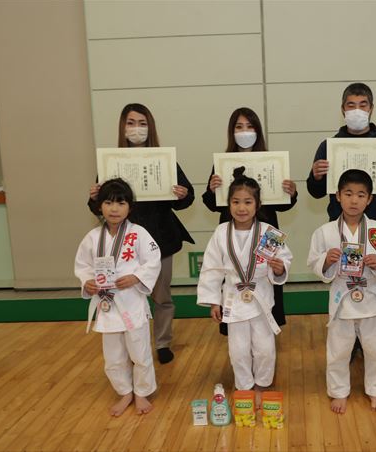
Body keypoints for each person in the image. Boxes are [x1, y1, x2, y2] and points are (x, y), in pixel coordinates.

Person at [88, 103, 194, 364]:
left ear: (151, 127)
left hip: (160, 238)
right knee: (125, 294)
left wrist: (182, 194)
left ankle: (162, 342)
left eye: (142, 123)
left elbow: (186, 198)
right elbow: (98, 206)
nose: (137, 129)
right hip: (123, 242)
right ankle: (129, 341)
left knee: (161, 296)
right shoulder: (111, 163)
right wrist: (93, 197)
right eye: (131, 123)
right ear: (123, 127)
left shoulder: (164, 159)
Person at [307, 169, 376, 414]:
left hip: (370, 296)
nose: (354, 200)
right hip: (342, 297)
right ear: (338, 196)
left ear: (370, 199)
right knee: (338, 349)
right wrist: (326, 260)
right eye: (348, 193)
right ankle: (339, 392)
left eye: (361, 195)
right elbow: (314, 262)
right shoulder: (325, 231)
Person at [197, 167, 293, 404]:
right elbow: (211, 267)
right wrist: (213, 301)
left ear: (257, 205)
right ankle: (244, 386)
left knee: (265, 348)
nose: (242, 208)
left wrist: (280, 268)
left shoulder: (268, 233)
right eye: (236, 202)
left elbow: (284, 259)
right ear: (228, 204)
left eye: (248, 202)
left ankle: (262, 384)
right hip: (233, 298)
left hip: (260, 297)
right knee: (238, 350)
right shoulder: (221, 232)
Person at [202, 107, 297, 335]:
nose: (244, 131)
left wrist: (291, 192)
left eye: (250, 126)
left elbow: (284, 204)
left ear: (258, 130)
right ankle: (234, 326)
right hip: (233, 229)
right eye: (239, 127)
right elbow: (212, 203)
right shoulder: (222, 163)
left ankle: (267, 327)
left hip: (265, 229)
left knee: (268, 273)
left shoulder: (272, 162)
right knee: (233, 273)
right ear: (231, 131)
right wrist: (211, 189)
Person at [75, 178, 161, 416]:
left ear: (130, 207)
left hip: (131, 301)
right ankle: (125, 392)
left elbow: (152, 261)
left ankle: (142, 392)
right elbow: (82, 265)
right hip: (107, 305)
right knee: (113, 356)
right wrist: (87, 282)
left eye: (120, 203)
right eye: (108, 203)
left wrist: (136, 277)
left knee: (139, 351)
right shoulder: (93, 237)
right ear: (99, 206)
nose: (114, 209)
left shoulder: (138, 233)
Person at [306, 82, 376, 226]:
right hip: (340, 224)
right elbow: (316, 193)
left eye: (363, 105)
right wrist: (316, 177)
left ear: (371, 109)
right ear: (343, 109)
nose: (357, 110)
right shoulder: (329, 146)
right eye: (351, 106)